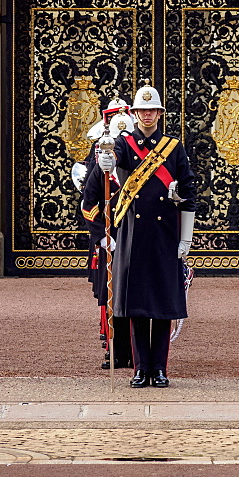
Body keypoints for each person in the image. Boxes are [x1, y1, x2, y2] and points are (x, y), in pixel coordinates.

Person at [97, 82, 196, 388]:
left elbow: (190, 192)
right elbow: (115, 170)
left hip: (165, 233)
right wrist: (107, 164)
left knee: (163, 305)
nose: (148, 114)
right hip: (135, 233)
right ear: (136, 112)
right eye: (143, 110)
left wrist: (186, 238)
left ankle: (160, 367)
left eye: (153, 109)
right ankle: (141, 368)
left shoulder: (174, 147)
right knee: (138, 305)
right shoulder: (126, 143)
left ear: (159, 113)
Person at [79, 103, 135, 370]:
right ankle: (116, 350)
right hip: (110, 242)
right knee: (112, 298)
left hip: (136, 240)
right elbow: (88, 206)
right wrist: (101, 236)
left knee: (135, 296)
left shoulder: (138, 169)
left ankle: (136, 351)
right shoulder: (100, 172)